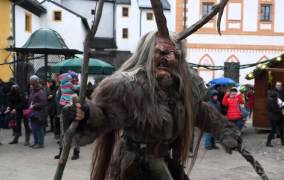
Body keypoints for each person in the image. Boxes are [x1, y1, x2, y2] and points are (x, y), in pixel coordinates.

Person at [63, 32, 242, 180]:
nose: (165, 60)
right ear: (147, 54)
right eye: (160, 53)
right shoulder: (128, 87)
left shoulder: (180, 89)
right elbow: (103, 117)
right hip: (133, 168)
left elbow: (201, 112)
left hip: (165, 162)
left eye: (172, 54)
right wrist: (84, 113)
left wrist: (225, 131)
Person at [54, 72, 81, 160]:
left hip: (71, 109)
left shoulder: (62, 86)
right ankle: (62, 151)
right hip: (64, 111)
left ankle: (75, 151)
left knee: (74, 131)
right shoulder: (69, 85)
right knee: (64, 132)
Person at [29, 75, 47, 149]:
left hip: (39, 112)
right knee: (34, 128)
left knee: (38, 128)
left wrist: (34, 105)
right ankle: (36, 142)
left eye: (32, 83)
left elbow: (43, 103)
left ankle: (40, 143)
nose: (31, 85)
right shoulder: (34, 91)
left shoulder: (40, 91)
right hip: (33, 112)